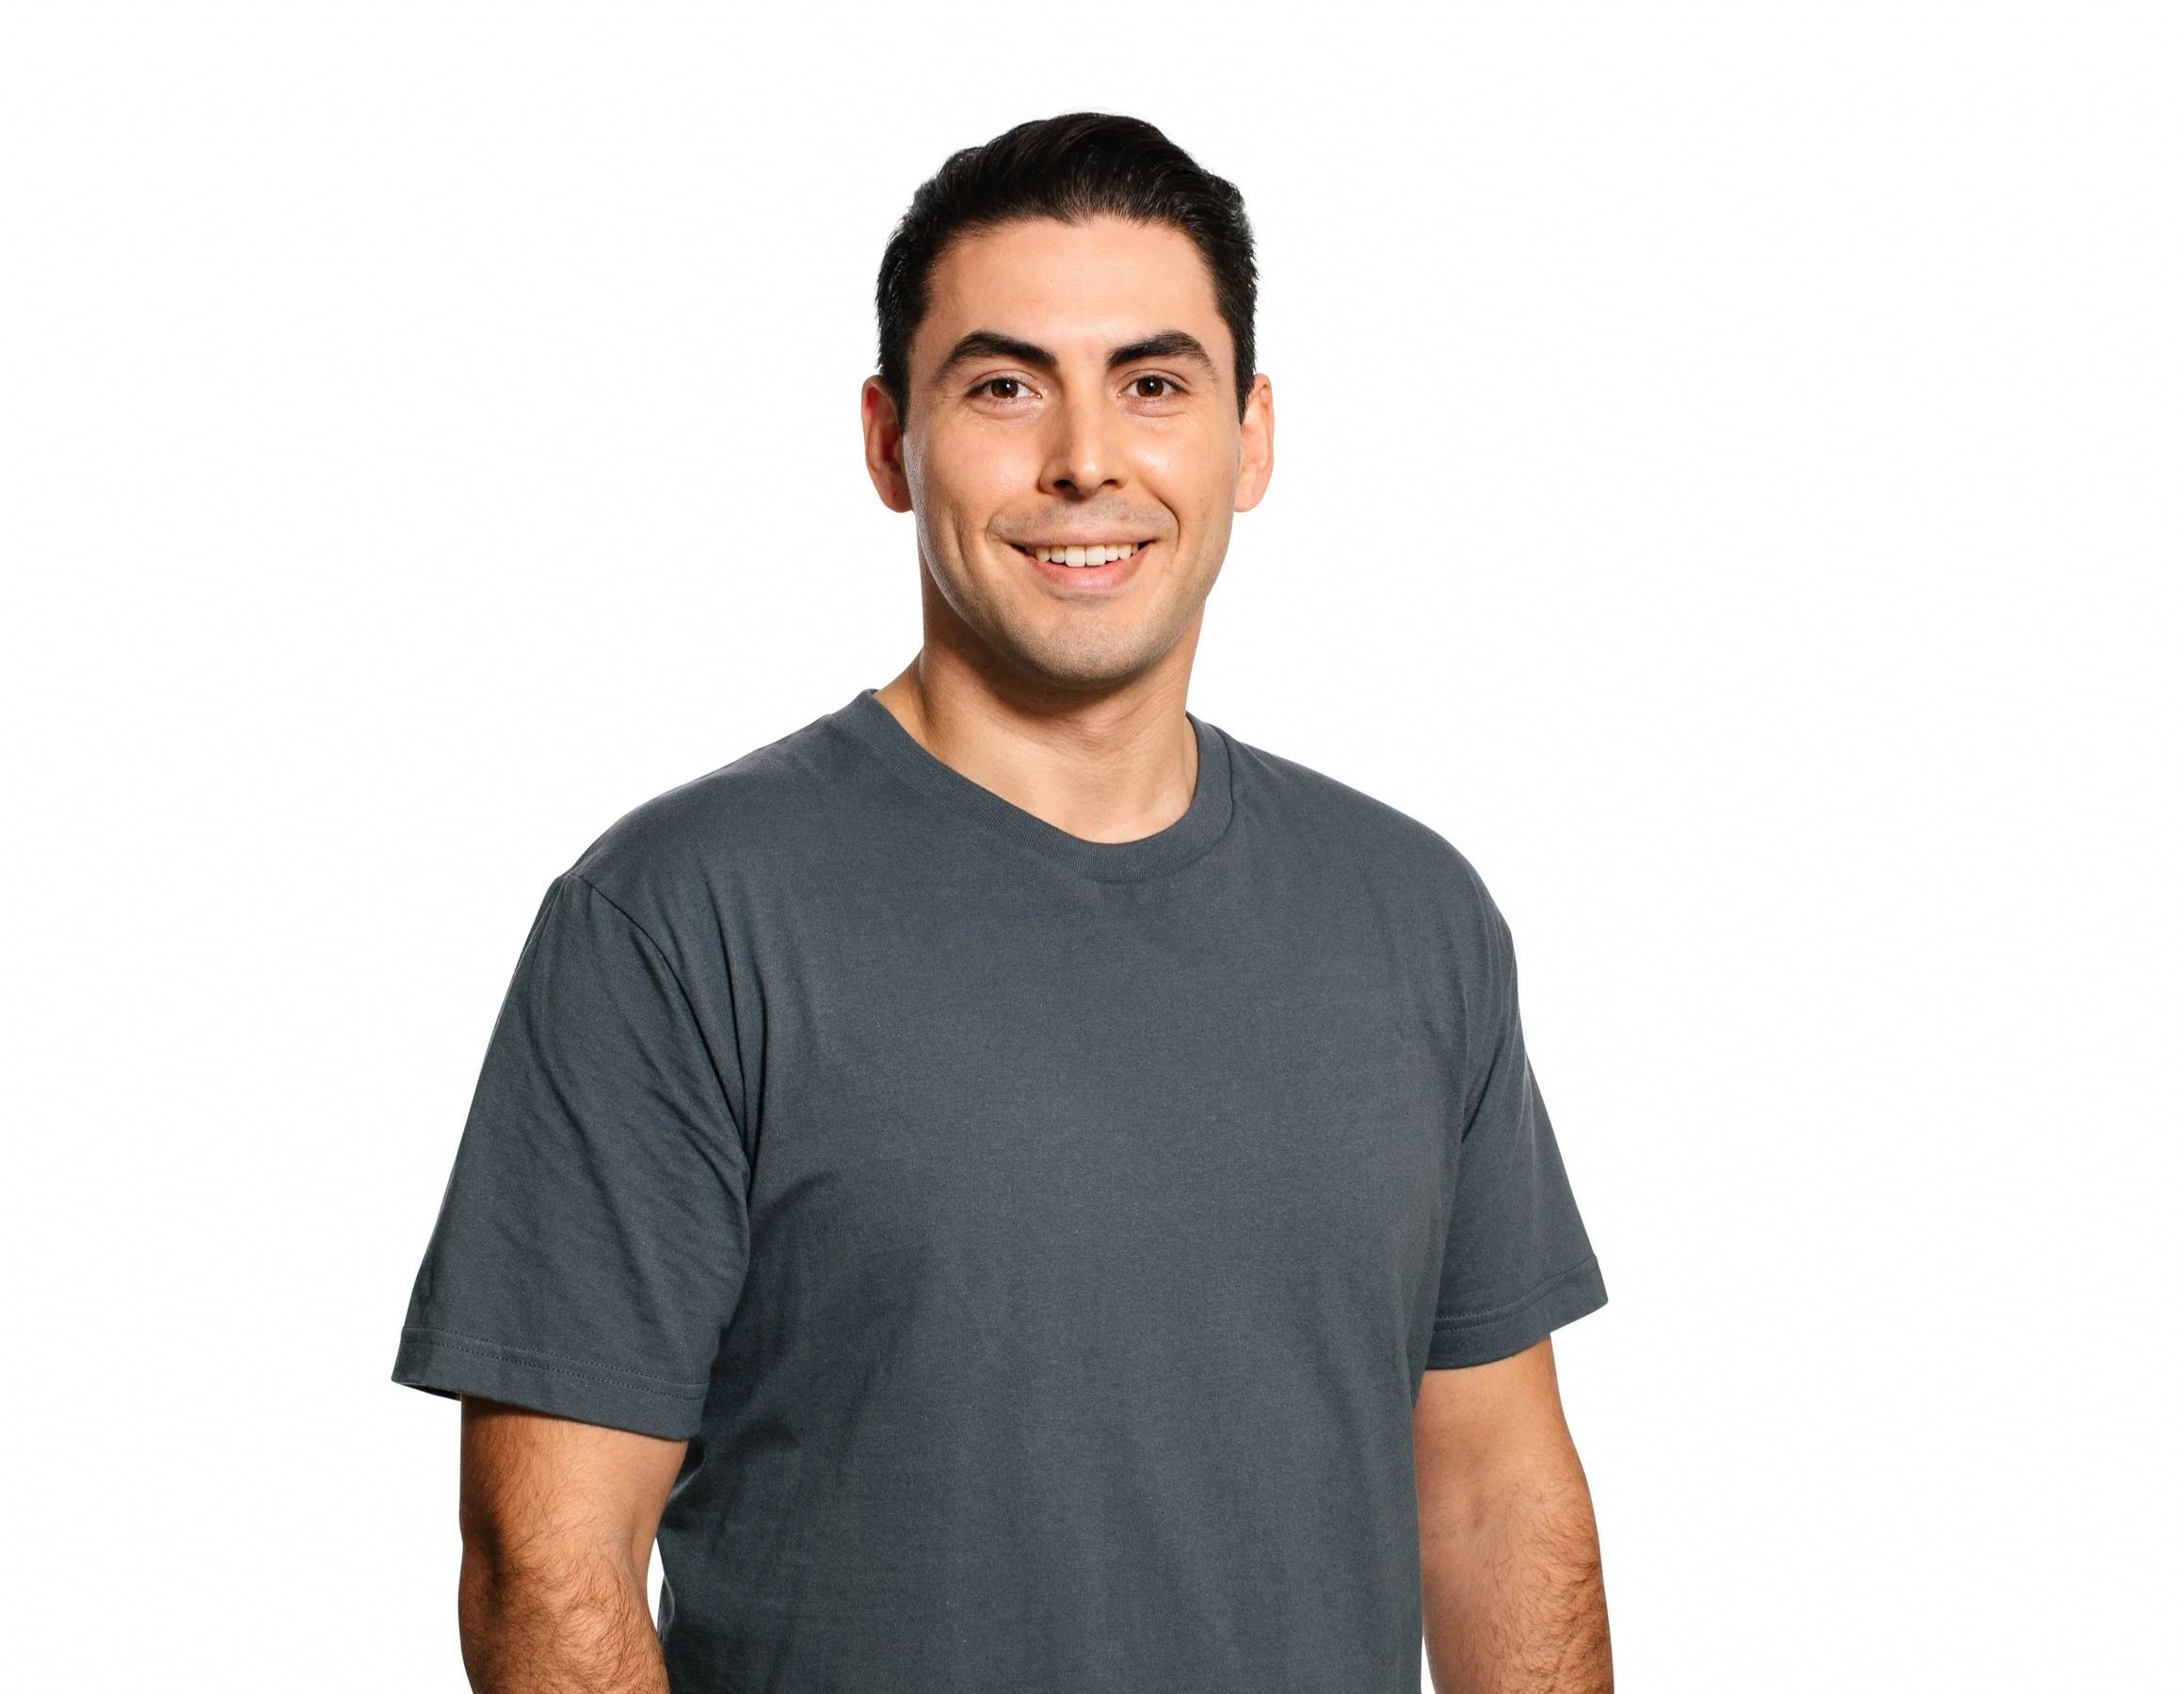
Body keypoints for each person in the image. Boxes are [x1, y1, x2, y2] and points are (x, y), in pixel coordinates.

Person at [393, 112, 1613, 1694]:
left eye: (1154, 384)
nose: (1086, 459)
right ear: (890, 441)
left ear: (1250, 439)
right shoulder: (674, 921)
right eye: (1004, 384)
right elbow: (545, 1565)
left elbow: (1497, 1500)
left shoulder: (1413, 915)